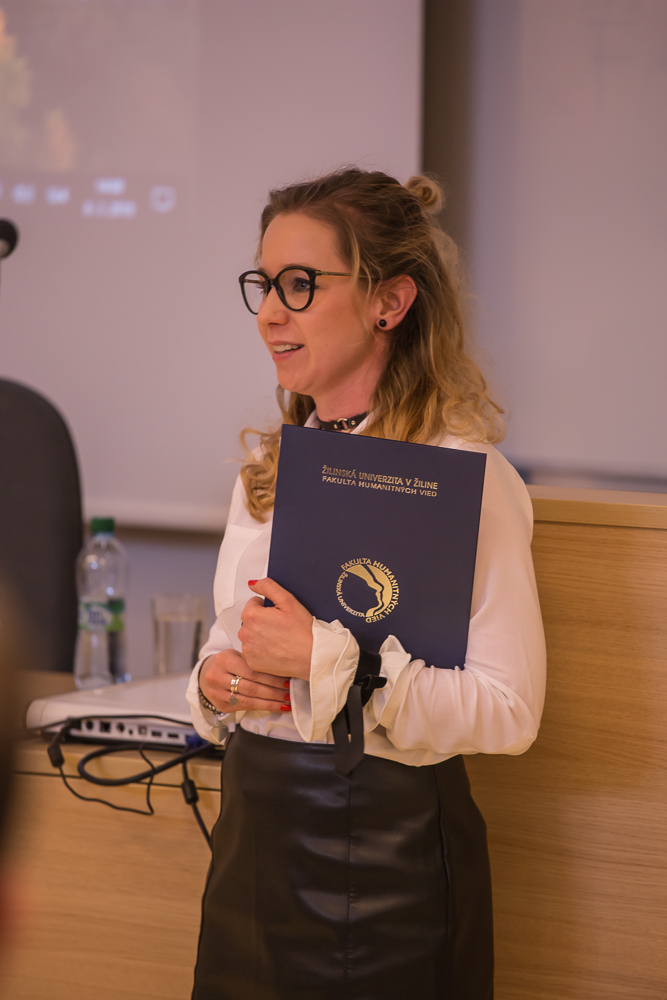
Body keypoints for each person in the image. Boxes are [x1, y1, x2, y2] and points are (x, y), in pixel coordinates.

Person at [187, 168, 547, 1000]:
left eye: (301, 284)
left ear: (389, 301)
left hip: (388, 867)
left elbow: (508, 712)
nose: (269, 313)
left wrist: (329, 664)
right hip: (251, 850)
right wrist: (217, 681)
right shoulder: (267, 471)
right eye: (264, 285)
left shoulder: (463, 478)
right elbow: (228, 642)